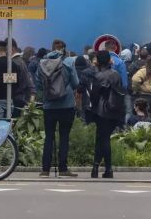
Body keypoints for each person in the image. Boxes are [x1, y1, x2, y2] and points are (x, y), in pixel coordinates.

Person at [35, 45, 80, 177]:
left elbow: (38, 84)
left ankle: (45, 169)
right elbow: (76, 83)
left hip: (49, 105)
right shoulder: (69, 62)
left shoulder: (42, 63)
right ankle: (63, 168)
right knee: (64, 136)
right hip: (67, 105)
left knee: (49, 136)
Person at [88, 50, 124, 178]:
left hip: (101, 111)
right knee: (103, 138)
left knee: (102, 139)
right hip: (115, 110)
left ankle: (102, 168)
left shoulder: (98, 76)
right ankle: (99, 168)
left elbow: (94, 96)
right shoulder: (116, 74)